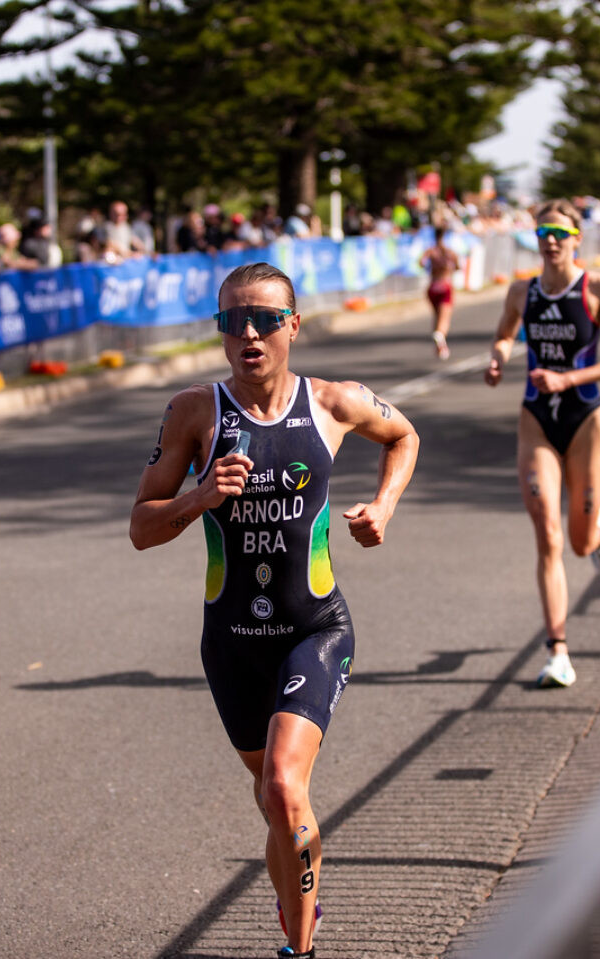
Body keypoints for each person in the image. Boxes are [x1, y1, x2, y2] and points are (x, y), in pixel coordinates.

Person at [130, 262, 418, 959]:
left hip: (314, 629)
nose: (249, 334)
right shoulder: (195, 412)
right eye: (233, 321)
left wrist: (383, 506)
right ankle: (302, 902)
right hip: (230, 644)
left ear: (293, 325)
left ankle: (301, 945)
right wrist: (199, 496)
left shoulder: (333, 402)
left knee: (286, 784)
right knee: (275, 801)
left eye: (264, 319)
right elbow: (141, 526)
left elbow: (405, 436)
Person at [484, 199, 600, 689]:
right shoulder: (521, 291)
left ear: (576, 239)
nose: (551, 240)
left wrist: (569, 380)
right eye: (543, 231)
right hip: (536, 420)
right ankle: (558, 651)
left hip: (587, 417)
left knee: (579, 541)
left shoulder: (598, 289)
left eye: (559, 232)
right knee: (548, 535)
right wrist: (498, 357)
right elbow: (505, 334)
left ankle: (599, 526)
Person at [420, 226, 460, 360]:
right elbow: (458, 266)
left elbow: (421, 262)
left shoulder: (431, 251)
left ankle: (440, 347)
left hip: (432, 286)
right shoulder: (449, 252)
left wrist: (432, 266)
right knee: (445, 317)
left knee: (437, 315)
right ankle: (440, 335)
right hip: (445, 285)